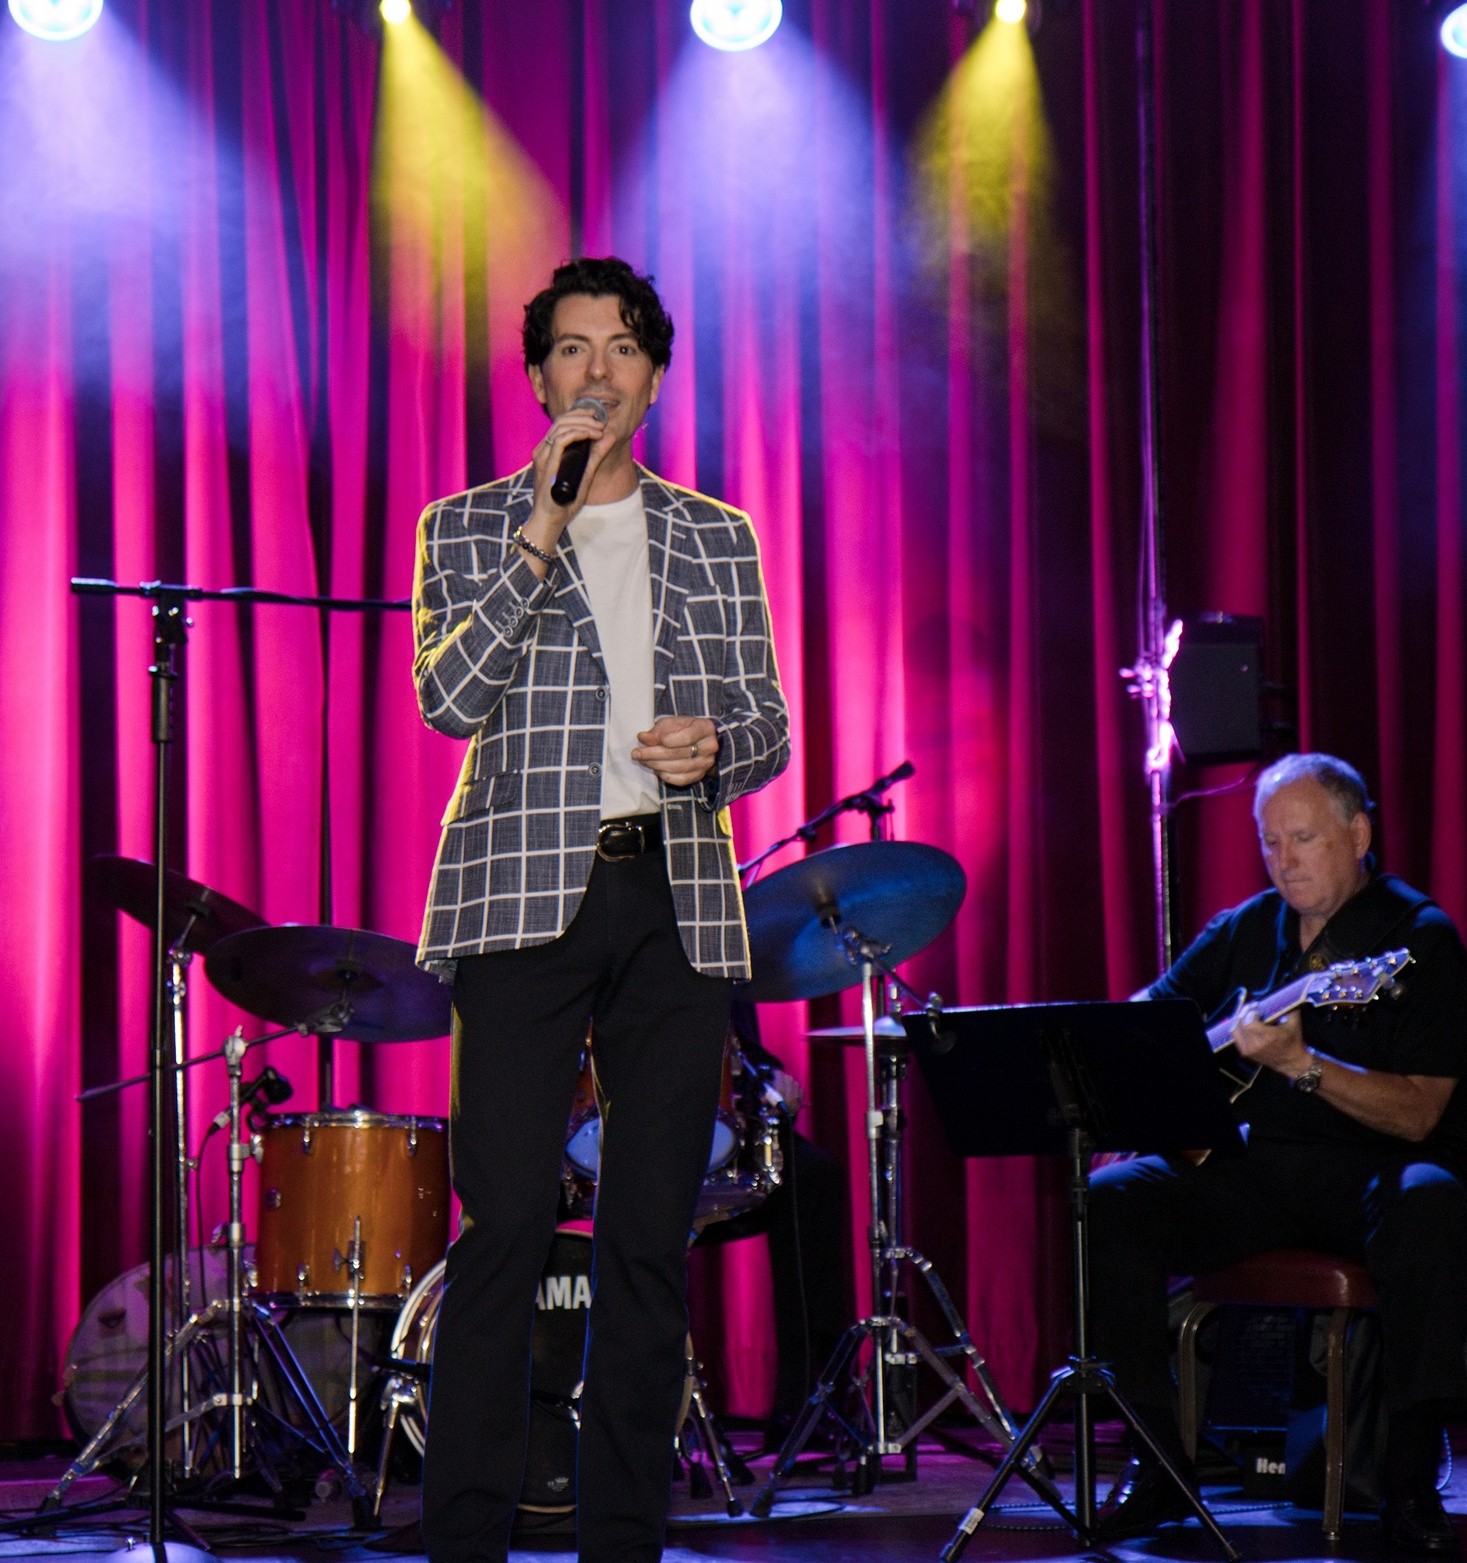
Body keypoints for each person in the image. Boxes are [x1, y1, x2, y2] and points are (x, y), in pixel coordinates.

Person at [411, 256, 790, 1563]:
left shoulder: (715, 533)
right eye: (572, 349)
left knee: (644, 1235)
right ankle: (465, 1535)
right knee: (507, 1223)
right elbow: (450, 700)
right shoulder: (466, 525)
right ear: (538, 380)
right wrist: (543, 529)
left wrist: (715, 748)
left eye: (623, 347)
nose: (597, 370)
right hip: (522, 894)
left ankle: (623, 1536)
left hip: (671, 894)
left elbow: (765, 721)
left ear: (654, 375)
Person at [1090, 753, 1467, 1552]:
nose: (1283, 860)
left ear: (1356, 834)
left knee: (1430, 1198)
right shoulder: (1245, 926)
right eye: (1269, 842)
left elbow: (1420, 1112)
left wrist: (1302, 1063)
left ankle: (1407, 1476)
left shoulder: (1413, 939)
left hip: (1368, 1172)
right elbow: (1141, 1021)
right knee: (1113, 1198)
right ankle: (1157, 1460)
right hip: (1252, 1168)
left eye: (1303, 838)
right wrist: (1153, 1088)